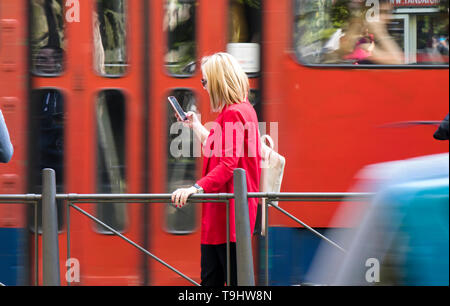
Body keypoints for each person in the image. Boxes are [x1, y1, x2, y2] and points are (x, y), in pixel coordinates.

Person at [171, 52, 261, 286]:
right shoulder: (242, 110)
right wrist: (196, 126)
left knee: (215, 280)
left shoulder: (233, 113)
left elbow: (228, 165)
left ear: (218, 80)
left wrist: (195, 188)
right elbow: (216, 148)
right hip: (228, 215)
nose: (204, 87)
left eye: (205, 81)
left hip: (227, 217)